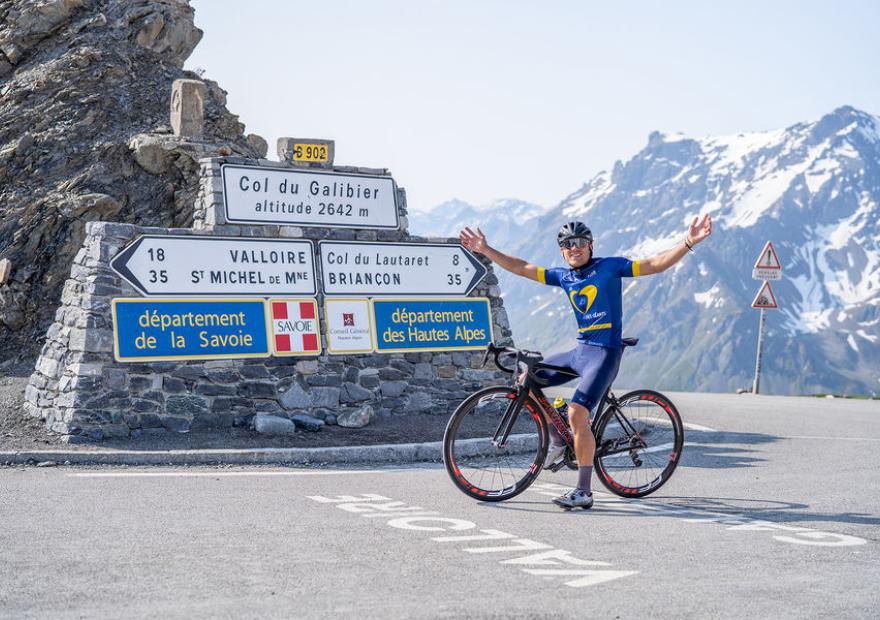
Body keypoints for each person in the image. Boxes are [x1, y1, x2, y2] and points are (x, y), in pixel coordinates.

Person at [459, 215, 712, 509]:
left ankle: (583, 491)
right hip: (581, 351)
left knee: (578, 413)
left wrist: (688, 242)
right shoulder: (565, 277)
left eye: (580, 243)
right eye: (567, 244)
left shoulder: (609, 267)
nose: (574, 248)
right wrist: (486, 250)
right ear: (562, 250)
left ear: (590, 246)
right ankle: (556, 438)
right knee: (528, 378)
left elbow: (655, 264)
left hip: (604, 353)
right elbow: (524, 268)